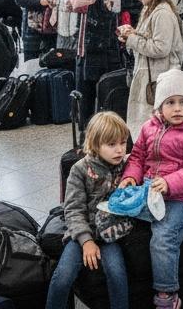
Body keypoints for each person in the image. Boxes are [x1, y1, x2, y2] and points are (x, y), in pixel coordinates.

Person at [119, 69, 183, 309]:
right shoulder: (149, 128)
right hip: (151, 189)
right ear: (160, 106)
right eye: (170, 102)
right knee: (117, 210)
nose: (177, 108)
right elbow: (138, 157)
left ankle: (167, 295)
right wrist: (130, 177)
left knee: (163, 236)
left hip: (182, 197)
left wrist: (170, 183)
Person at [48, 111, 132, 309]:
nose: (119, 150)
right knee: (62, 277)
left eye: (123, 143)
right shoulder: (80, 169)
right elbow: (73, 210)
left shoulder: (126, 166)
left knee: (117, 274)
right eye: (112, 145)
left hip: (111, 234)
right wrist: (86, 242)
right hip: (80, 233)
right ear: (95, 144)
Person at [118, 0, 183, 134]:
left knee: (156, 128)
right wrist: (131, 34)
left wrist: (132, 39)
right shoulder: (150, 9)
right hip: (151, 77)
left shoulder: (162, 13)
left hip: (158, 79)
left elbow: (161, 48)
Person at [70, 0, 123, 123]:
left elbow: (112, 13)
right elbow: (69, 10)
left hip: (106, 51)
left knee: (107, 100)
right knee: (84, 100)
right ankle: (85, 136)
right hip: (83, 51)